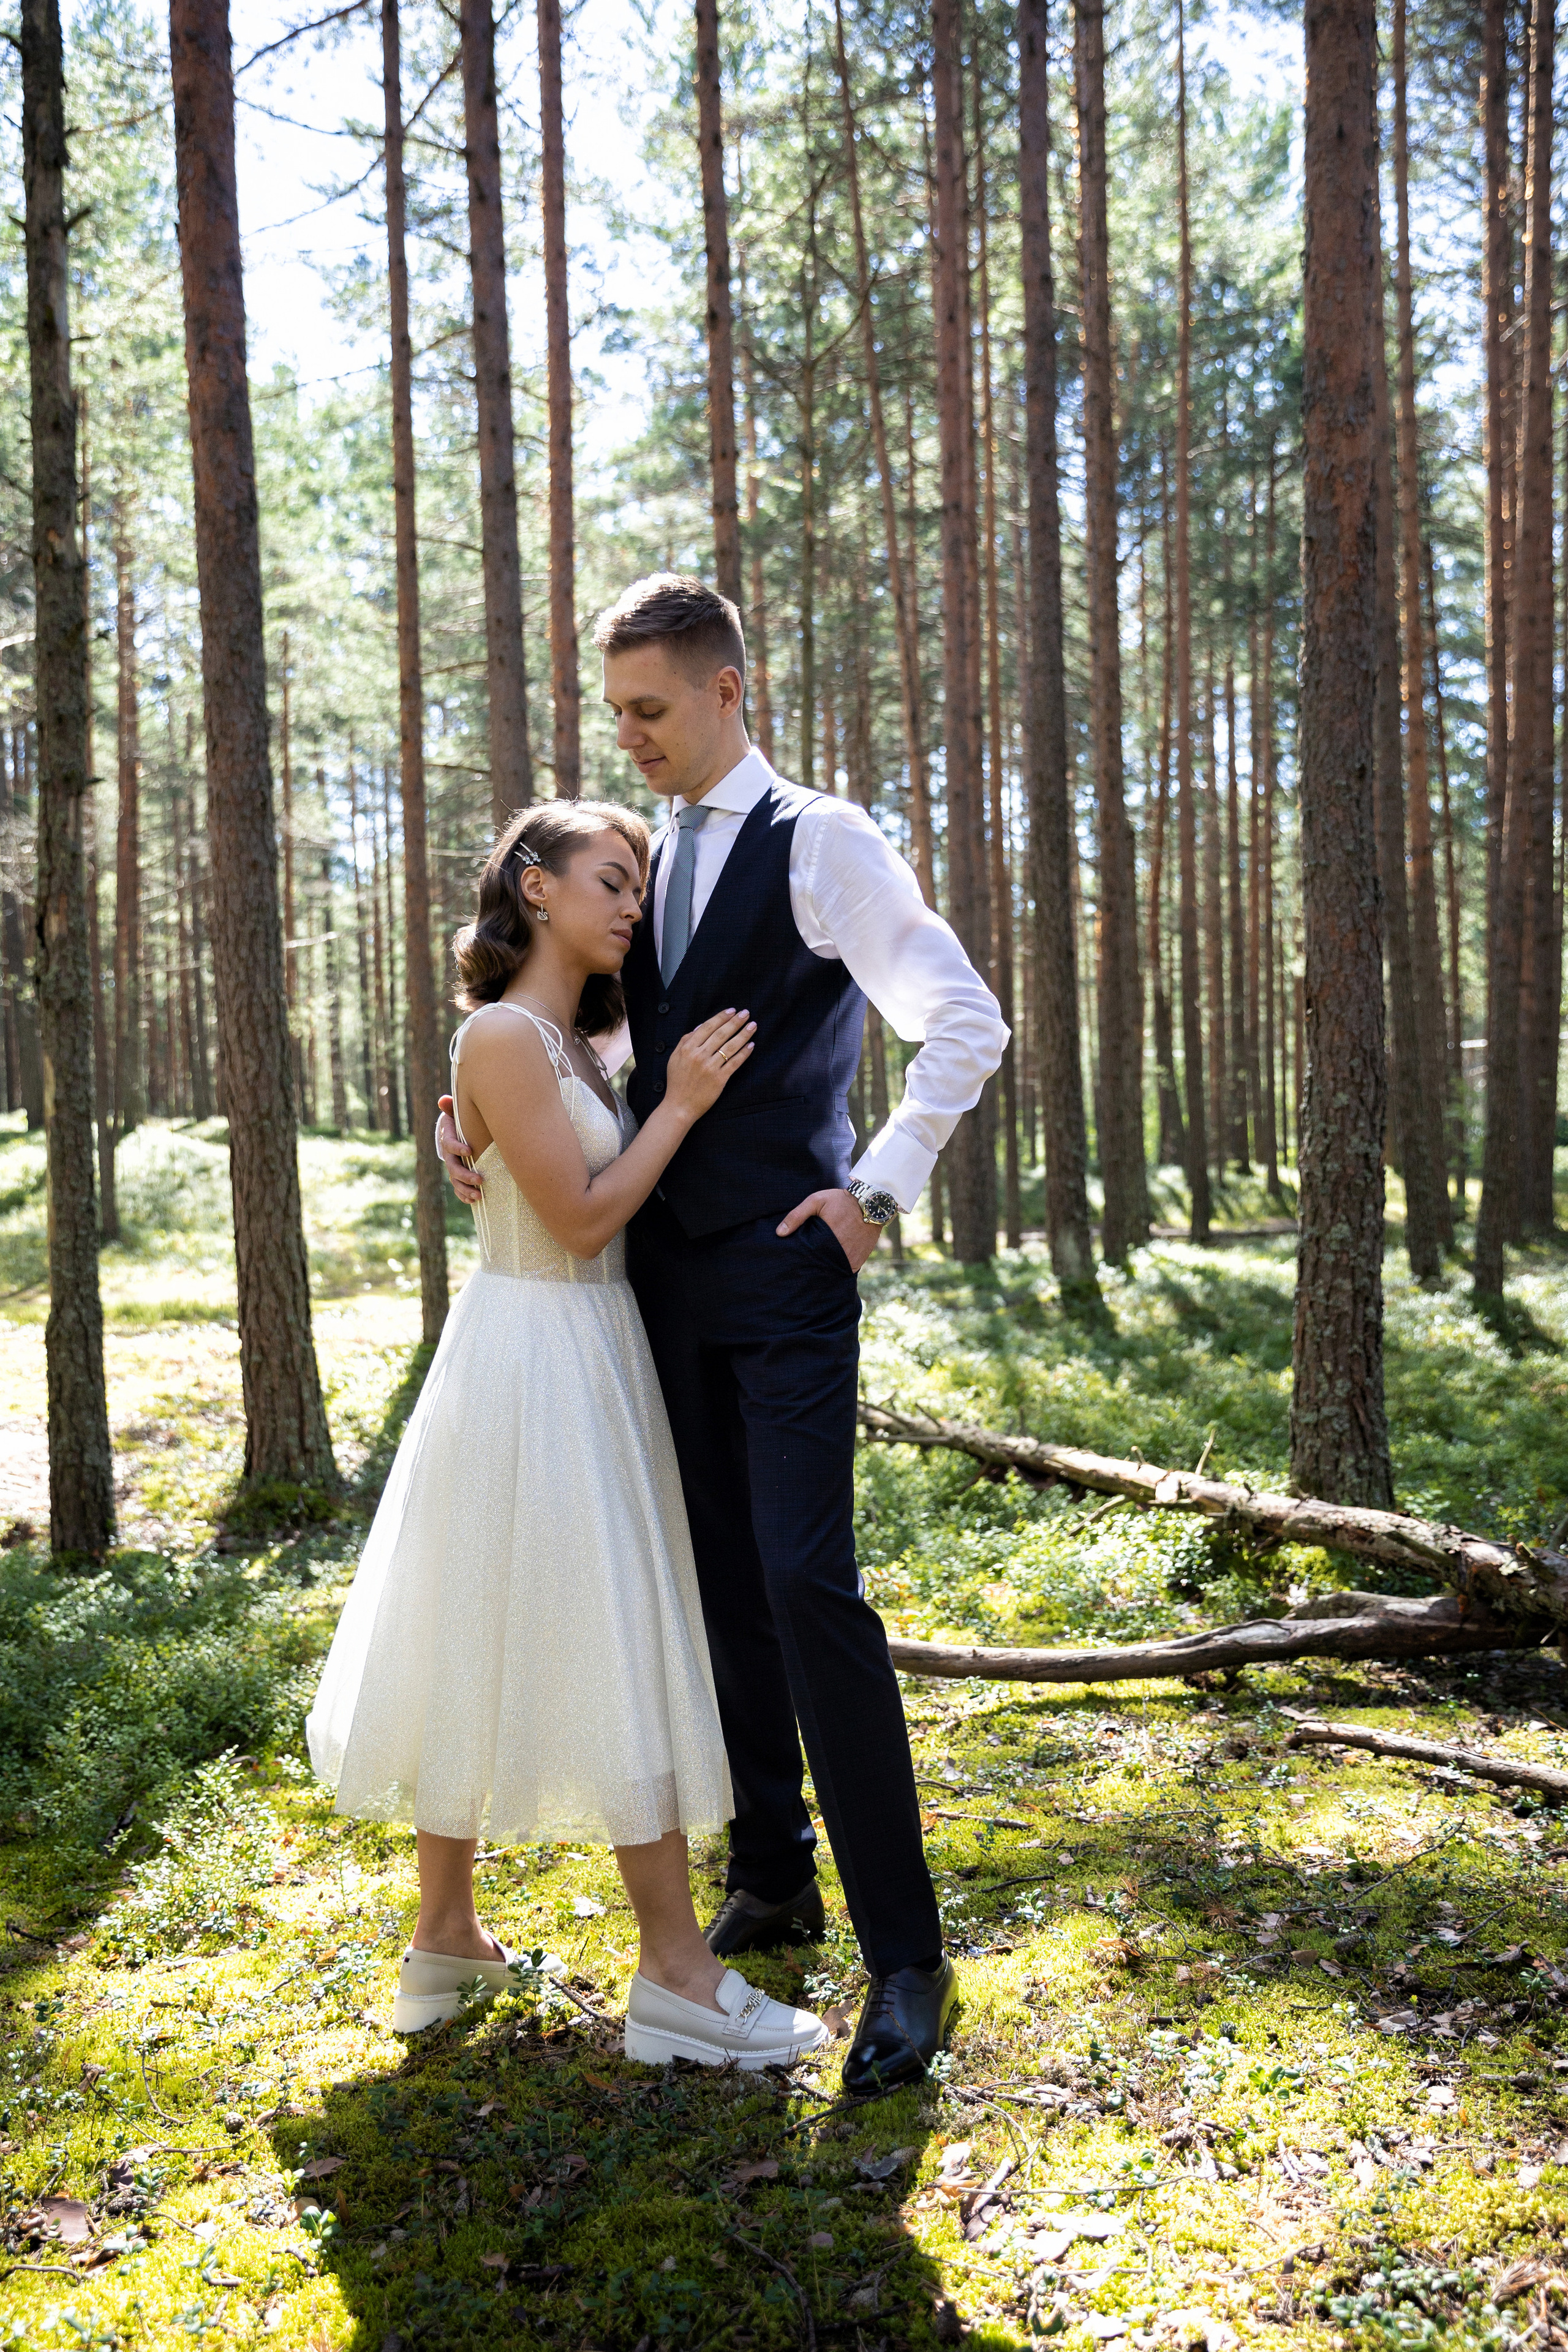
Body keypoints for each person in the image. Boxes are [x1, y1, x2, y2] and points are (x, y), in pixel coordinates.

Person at [440, 575, 1008, 2094]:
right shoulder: (631, 873)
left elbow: (961, 1017)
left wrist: (874, 1190)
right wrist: (479, 1111)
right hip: (650, 1291)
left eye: (649, 708)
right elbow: (601, 1047)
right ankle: (771, 1874)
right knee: (712, 1591)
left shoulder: (821, 841)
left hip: (781, 1276)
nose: (624, 735)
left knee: (809, 1582)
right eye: (613, 709)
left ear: (726, 692)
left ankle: (905, 1959)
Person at [308, 795, 828, 2072]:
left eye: (639, 882)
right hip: (537, 1353)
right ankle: (677, 1975)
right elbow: (586, 1217)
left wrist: (495, 1122)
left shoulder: (577, 1034)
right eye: (609, 879)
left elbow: (543, 1160)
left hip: (588, 1350)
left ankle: (442, 1938)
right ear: (533, 887)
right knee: (603, 1634)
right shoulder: (500, 1032)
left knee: (496, 1625)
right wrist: (682, 1103)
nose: (631, 904)